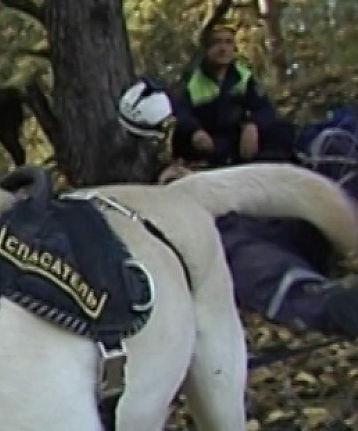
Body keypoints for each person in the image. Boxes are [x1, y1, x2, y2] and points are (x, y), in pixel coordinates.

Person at [117, 75, 358, 339]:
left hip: (299, 186)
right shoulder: (134, 179)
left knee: (332, 141)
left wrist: (253, 126)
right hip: (255, 231)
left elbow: (275, 130)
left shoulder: (214, 106)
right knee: (224, 247)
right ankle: (325, 303)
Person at [170, 19, 287, 167]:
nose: (223, 48)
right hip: (209, 141)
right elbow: (180, 113)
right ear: (206, 49)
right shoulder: (191, 80)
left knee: (282, 130)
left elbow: (264, 109)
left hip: (239, 140)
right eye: (217, 42)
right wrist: (195, 131)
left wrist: (253, 125)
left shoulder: (244, 76)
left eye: (228, 42)